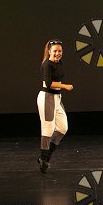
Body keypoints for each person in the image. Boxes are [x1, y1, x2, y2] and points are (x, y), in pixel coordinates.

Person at [37, 39, 73, 173]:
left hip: (57, 98)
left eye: (60, 51)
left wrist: (61, 88)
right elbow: (48, 83)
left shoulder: (59, 63)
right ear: (49, 51)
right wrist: (65, 86)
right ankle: (43, 159)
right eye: (55, 51)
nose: (58, 53)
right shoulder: (47, 64)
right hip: (47, 97)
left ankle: (47, 155)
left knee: (63, 128)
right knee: (48, 129)